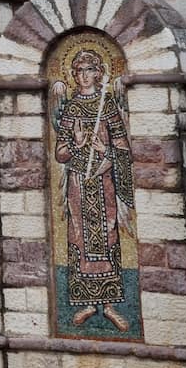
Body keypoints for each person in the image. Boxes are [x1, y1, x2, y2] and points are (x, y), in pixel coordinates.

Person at [52, 48, 134, 330]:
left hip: (104, 179)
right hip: (78, 181)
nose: (84, 76)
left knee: (108, 235)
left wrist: (104, 150)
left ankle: (110, 306)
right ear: (74, 75)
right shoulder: (72, 108)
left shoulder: (107, 104)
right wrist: (76, 144)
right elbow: (59, 153)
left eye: (89, 70)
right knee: (79, 236)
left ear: (99, 73)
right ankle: (86, 303)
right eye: (79, 71)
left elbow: (123, 147)